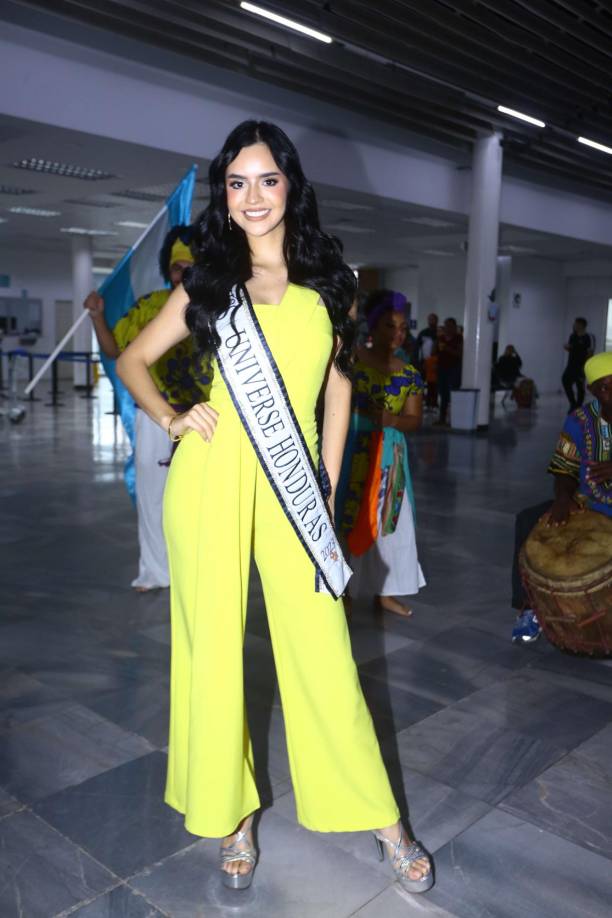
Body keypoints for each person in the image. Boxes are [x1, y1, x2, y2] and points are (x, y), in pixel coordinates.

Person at [115, 122, 433, 895]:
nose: (252, 198)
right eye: (236, 183)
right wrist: (172, 418)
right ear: (224, 193)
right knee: (214, 653)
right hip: (214, 476)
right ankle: (235, 818)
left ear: (291, 186)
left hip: (294, 489)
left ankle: (382, 818)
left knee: (322, 644)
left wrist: (324, 482)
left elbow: (339, 386)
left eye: (266, 180)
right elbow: (133, 360)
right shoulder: (209, 282)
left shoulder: (331, 280)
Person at [84, 225, 211, 591]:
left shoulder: (216, 308)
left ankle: (195, 570)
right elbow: (116, 352)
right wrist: (97, 317)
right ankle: (156, 571)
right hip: (156, 418)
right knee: (154, 497)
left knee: (200, 501)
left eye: (190, 266)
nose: (183, 274)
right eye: (177, 267)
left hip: (206, 419)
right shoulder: (152, 307)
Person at [511, 351, 612, 641]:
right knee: (527, 519)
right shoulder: (580, 420)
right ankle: (529, 609)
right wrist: (562, 498)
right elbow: (564, 467)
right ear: (592, 391)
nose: (610, 392)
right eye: (603, 387)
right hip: (588, 504)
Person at [336, 289, 425, 618]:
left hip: (390, 455)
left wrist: (392, 420)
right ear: (373, 328)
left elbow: (415, 420)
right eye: (391, 326)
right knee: (345, 515)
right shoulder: (351, 359)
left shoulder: (409, 373)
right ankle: (342, 588)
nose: (398, 334)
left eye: (403, 328)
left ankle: (386, 592)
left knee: (391, 520)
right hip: (352, 448)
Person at [434, 316, 463, 426]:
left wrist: (447, 349)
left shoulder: (459, 338)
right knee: (443, 393)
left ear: (454, 327)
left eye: (450, 326)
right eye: (446, 326)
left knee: (453, 392)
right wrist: (436, 342)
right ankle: (442, 418)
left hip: (454, 368)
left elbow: (460, 354)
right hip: (442, 368)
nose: (447, 328)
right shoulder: (441, 338)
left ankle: (454, 419)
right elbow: (434, 352)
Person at [561, 317, 594, 412]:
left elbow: (590, 352)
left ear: (581, 325)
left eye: (576, 324)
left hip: (582, 366)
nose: (574, 325)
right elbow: (572, 348)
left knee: (580, 386)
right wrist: (567, 347)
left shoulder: (589, 337)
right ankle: (573, 403)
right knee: (565, 380)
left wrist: (585, 366)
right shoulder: (572, 336)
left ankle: (578, 406)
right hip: (571, 365)